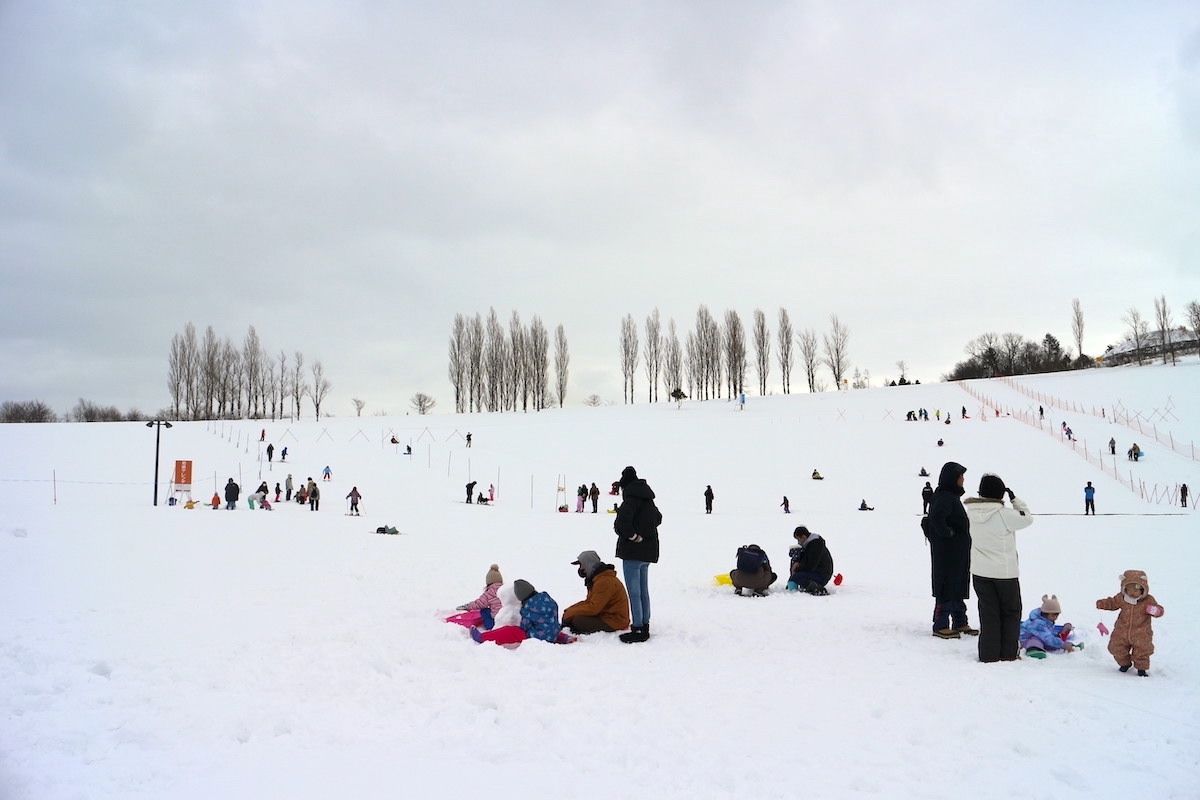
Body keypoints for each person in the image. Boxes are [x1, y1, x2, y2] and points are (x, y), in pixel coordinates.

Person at [965, 473, 1032, 662]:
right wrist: (1015, 500)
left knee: (988, 613)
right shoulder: (1004, 514)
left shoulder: (970, 512)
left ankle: (988, 654)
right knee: (1010, 612)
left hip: (979, 572)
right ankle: (1008, 653)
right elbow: (1027, 518)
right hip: (1005, 573)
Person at [923, 461, 973, 639]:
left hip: (956, 553)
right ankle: (941, 624)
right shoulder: (944, 496)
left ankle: (960, 621)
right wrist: (950, 534)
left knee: (958, 586)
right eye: (960, 476)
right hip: (947, 554)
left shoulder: (950, 496)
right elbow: (937, 519)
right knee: (947, 587)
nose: (963, 479)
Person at [613, 466, 661, 644]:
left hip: (633, 553)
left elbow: (621, 525)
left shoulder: (630, 500)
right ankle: (645, 624)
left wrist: (634, 536)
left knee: (634, 592)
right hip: (648, 553)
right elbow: (658, 518)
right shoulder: (648, 500)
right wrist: (644, 533)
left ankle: (639, 628)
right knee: (643, 591)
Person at [1096, 570, 1164, 677]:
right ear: (1124, 588)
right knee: (1115, 647)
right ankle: (1125, 663)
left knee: (1142, 651)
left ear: (1143, 589)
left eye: (1136, 589)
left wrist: (1156, 611)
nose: (1132, 593)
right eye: (1129, 589)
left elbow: (1159, 610)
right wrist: (1103, 604)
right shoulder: (1122, 598)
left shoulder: (1148, 600)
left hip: (1141, 633)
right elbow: (1112, 603)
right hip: (1121, 631)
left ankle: (1141, 669)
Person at [470, 579, 564, 645]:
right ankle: (561, 637)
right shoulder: (547, 599)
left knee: (511, 631)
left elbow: (525, 627)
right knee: (547, 625)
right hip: (554, 632)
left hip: (540, 637)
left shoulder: (528, 607)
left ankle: (482, 637)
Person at [562, 550, 631, 634]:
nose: (580, 569)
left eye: (581, 565)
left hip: (616, 621)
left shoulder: (604, 581)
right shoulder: (597, 578)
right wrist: (570, 610)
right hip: (605, 615)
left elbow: (593, 608)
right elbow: (589, 602)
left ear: (588, 564)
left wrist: (570, 613)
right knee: (575, 617)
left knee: (578, 620)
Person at [1019, 595, 1079, 659]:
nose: (1056, 617)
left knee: (1049, 637)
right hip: (1025, 640)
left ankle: (1072, 646)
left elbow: (1049, 630)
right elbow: (1048, 638)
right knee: (1036, 639)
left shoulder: (1046, 620)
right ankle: (1033, 649)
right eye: (1054, 615)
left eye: (1057, 614)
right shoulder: (1037, 623)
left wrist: (1062, 629)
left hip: (1042, 636)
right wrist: (1062, 644)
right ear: (1045, 613)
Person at [446, 564, 505, 628]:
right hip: (509, 620)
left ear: (489, 582)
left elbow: (478, 603)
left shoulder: (489, 593)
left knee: (484, 610)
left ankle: (489, 625)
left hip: (496, 623)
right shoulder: (506, 590)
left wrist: (467, 606)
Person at [786, 526, 833, 594]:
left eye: (799, 539)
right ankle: (805, 585)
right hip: (816, 573)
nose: (798, 542)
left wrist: (797, 569)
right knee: (795, 577)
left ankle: (816, 588)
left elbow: (810, 565)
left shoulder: (815, 545)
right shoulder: (809, 544)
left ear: (804, 537)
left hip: (822, 575)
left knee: (796, 577)